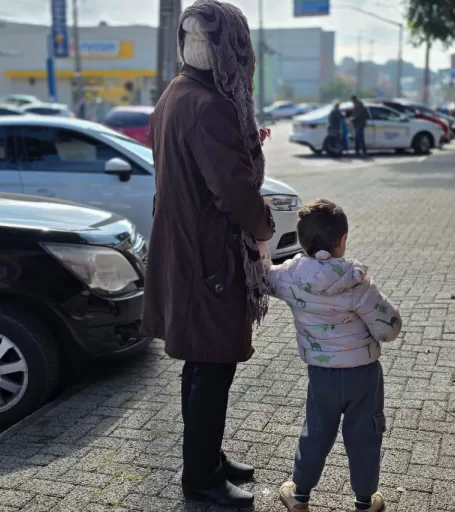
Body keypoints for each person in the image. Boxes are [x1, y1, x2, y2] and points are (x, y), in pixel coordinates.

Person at [142, 0, 275, 508]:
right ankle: (199, 476)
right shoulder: (212, 105)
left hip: (184, 249)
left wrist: (243, 145)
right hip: (209, 259)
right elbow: (235, 192)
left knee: (199, 365)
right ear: (232, 50)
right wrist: (264, 231)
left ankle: (207, 459)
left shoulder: (177, 93)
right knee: (212, 368)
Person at [260, 199, 402, 512]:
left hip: (321, 376)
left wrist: (259, 244)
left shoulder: (290, 278)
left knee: (316, 433)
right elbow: (389, 328)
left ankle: (299, 496)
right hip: (363, 375)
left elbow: (264, 275)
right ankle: (365, 501)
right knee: (365, 434)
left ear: (302, 242)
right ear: (342, 241)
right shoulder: (357, 282)